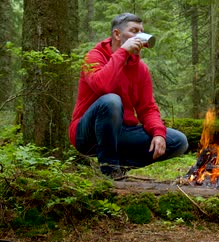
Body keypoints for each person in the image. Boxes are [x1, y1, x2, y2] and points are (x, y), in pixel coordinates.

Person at [69, 13, 188, 178]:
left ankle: (119, 165)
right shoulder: (94, 56)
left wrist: (158, 133)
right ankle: (109, 170)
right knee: (111, 101)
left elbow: (147, 108)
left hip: (122, 133)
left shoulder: (141, 69)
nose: (140, 36)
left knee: (178, 141)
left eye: (142, 31)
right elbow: (103, 86)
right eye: (134, 31)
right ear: (117, 34)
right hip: (88, 133)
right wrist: (123, 52)